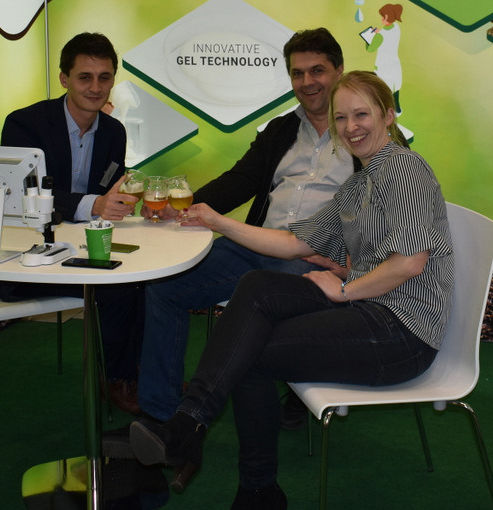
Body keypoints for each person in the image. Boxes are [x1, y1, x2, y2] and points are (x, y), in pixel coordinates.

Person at [129, 71, 454, 510]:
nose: (351, 127)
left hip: (403, 332)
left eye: (361, 114)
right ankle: (193, 427)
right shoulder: (359, 183)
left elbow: (411, 262)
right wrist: (218, 222)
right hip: (371, 308)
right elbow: (293, 242)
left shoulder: (403, 167)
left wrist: (346, 289)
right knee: (257, 285)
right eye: (342, 118)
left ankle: (245, 479)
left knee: (251, 356)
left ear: (388, 115)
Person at [135, 28, 354, 425]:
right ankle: (159, 417)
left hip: (317, 259)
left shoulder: (363, 132)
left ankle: (256, 399)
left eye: (317, 70)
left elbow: (389, 204)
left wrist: (355, 261)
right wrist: (186, 208)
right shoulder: (280, 130)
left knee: (254, 304)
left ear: (339, 71)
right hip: (256, 244)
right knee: (165, 288)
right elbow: (240, 180)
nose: (307, 82)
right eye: (298, 73)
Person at [0, 32, 143, 413]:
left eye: (104, 77)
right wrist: (95, 205)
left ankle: (140, 376)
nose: (96, 87)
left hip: (80, 250)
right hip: (23, 259)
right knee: (120, 288)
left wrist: (123, 200)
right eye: (85, 77)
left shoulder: (114, 132)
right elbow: (26, 197)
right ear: (64, 78)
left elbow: (107, 189)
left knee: (143, 281)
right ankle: (118, 381)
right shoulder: (24, 125)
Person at [364, 2, 403, 114]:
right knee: (395, 88)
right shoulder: (396, 28)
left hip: (383, 67)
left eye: (382, 16)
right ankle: (397, 108)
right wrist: (379, 32)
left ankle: (384, 111)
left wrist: (368, 39)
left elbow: (370, 49)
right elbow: (388, 35)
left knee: (383, 89)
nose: (381, 19)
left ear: (386, 16)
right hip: (394, 64)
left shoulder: (380, 36)